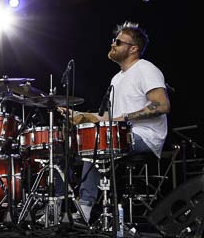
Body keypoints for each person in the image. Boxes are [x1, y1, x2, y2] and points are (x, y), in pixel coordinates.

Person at [63, 21, 170, 221]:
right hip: (120, 133)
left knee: (96, 144)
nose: (113, 44)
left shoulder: (145, 69)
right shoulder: (116, 78)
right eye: (114, 40)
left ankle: (84, 209)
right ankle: (57, 204)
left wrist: (125, 119)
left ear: (134, 48)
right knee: (64, 149)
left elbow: (162, 105)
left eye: (118, 42)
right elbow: (110, 118)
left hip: (145, 136)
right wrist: (81, 116)